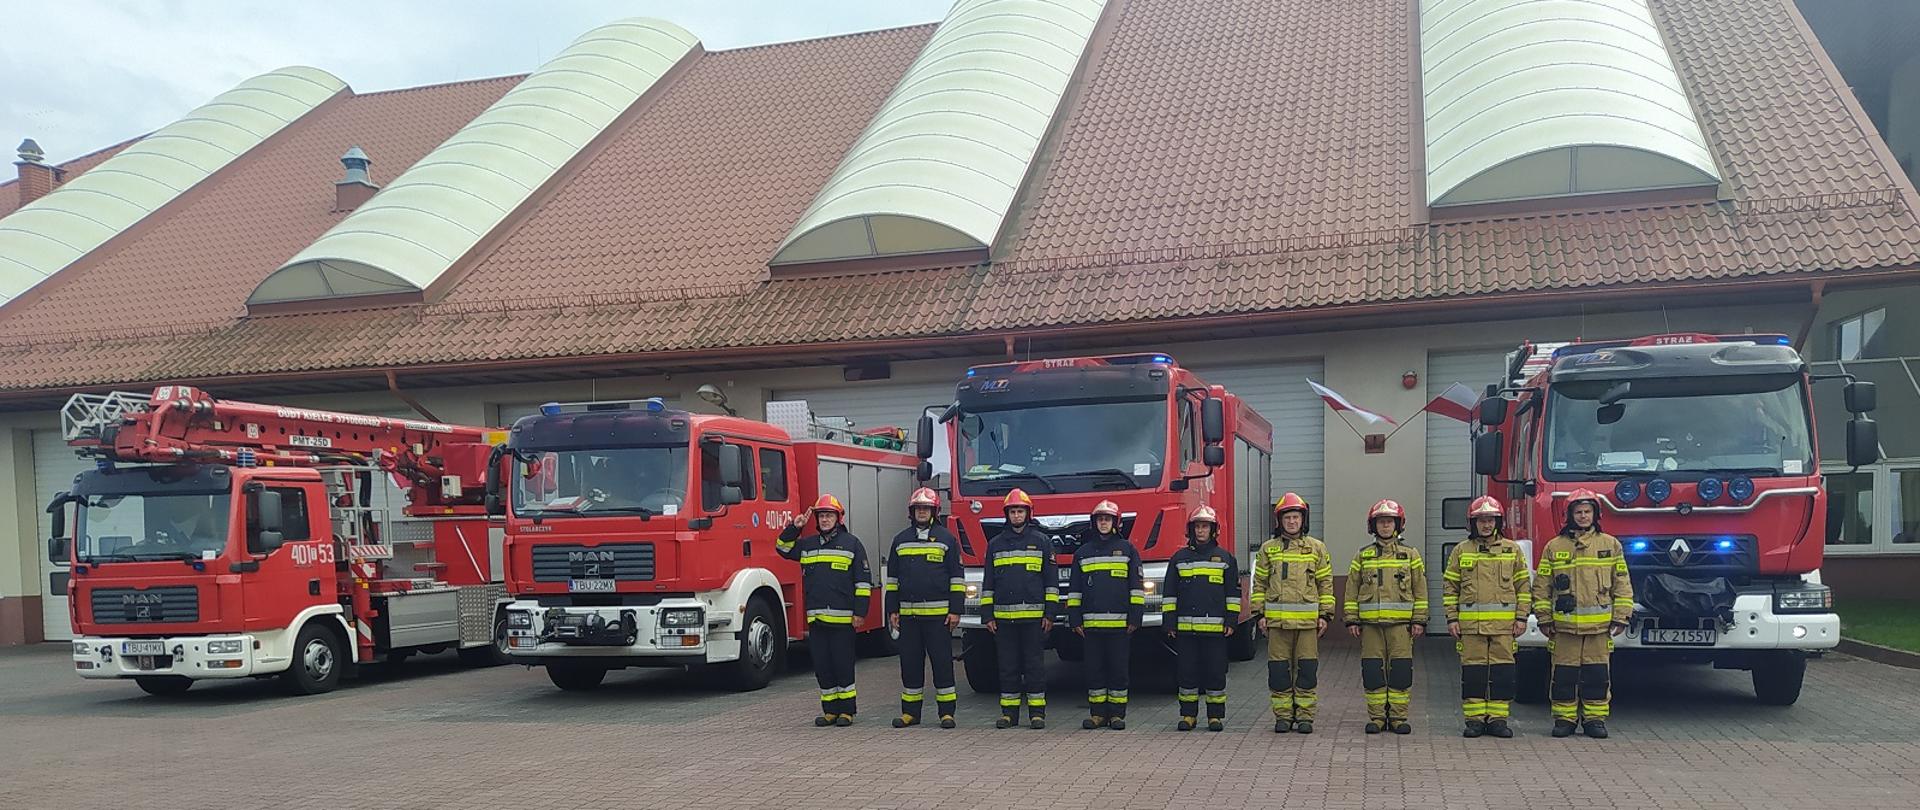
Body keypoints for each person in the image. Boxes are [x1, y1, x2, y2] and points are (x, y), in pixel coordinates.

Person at [1532, 488, 1632, 738]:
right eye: (1578, 512)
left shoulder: (1610, 545)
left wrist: (1621, 616)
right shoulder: (1554, 547)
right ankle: (1564, 720)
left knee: (1597, 676)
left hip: (1599, 629)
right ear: (1570, 515)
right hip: (1564, 628)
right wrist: (1544, 619)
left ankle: (1594, 720)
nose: (1583, 516)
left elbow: (1622, 582)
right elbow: (1542, 585)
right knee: (1563, 676)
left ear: (1595, 514)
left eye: (1588, 511)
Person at [777, 495, 874, 727]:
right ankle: (830, 710)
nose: (825, 519)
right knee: (822, 666)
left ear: (839, 518)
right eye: (822, 516)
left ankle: (847, 711)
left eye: (829, 515)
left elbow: (863, 583)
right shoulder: (808, 544)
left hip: (843, 620)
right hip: (817, 619)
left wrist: (860, 613)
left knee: (843, 665)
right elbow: (782, 548)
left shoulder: (852, 544)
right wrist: (795, 527)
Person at [1443, 495, 1529, 739]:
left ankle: (1499, 720)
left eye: (1490, 520)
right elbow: (1450, 587)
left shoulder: (1512, 550)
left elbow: (1524, 586)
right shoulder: (1461, 551)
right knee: (1474, 674)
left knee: (1502, 674)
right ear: (1473, 523)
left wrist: (1521, 618)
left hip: (1504, 628)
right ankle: (1475, 721)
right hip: (1471, 628)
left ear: (1498, 522)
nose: (1486, 525)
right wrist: (1452, 619)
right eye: (1481, 521)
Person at [1250, 492, 1332, 734]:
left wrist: (1325, 615)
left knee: (1307, 671)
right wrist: (1259, 614)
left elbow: (1325, 583)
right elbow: (1259, 584)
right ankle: (1283, 717)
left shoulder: (1317, 548)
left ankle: (1305, 717)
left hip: (1308, 625)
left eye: (1296, 517)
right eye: (1287, 518)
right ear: (1280, 521)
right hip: (1277, 625)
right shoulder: (1268, 550)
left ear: (1302, 520)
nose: (1292, 522)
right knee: (1279, 672)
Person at [1345, 499, 1426, 734]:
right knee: (1373, 671)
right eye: (1381, 522)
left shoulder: (1411, 555)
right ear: (1373, 526)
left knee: (1400, 672)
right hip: (1371, 628)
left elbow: (1420, 590)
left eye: (1389, 521)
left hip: (1402, 628)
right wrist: (1352, 619)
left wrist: (1419, 620)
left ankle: (1399, 718)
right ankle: (1377, 718)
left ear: (1398, 525)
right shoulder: (1363, 556)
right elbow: (1352, 589)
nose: (1385, 526)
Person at [886, 487, 965, 728]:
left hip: (939, 618)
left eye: (926, 508)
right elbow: (892, 581)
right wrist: (892, 611)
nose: (922, 512)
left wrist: (955, 610)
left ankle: (946, 713)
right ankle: (911, 713)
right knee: (910, 665)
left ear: (934, 511)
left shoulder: (947, 539)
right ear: (912, 512)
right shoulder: (900, 540)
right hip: (909, 617)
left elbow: (957, 578)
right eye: (918, 508)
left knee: (942, 664)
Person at [981, 488, 1057, 729]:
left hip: (1034, 619)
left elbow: (1051, 582)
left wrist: (1050, 614)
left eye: (1020, 511)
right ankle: (1009, 714)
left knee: (1034, 667)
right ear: (1007, 514)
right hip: (1003, 619)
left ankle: (1037, 714)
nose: (1016, 515)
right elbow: (988, 583)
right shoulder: (995, 544)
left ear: (1028, 513)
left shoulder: (1042, 542)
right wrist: (987, 615)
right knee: (1008, 667)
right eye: (1013, 511)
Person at [1065, 500, 1143, 730]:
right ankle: (1097, 714)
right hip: (1091, 626)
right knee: (1094, 670)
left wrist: (1135, 618)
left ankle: (1117, 715)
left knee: (1118, 670)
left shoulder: (1128, 550)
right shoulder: (1082, 552)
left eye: (1107, 519)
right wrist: (1075, 618)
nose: (1103, 523)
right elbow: (1075, 589)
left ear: (1115, 522)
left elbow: (1136, 588)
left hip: (1120, 626)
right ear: (1094, 523)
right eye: (1100, 519)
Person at [1164, 506, 1241, 732]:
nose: (1200, 531)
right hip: (1186, 630)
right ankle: (1188, 715)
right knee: (1186, 673)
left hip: (1215, 630)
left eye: (1205, 526)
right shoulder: (1179, 559)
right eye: (1197, 526)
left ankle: (1215, 717)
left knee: (1215, 673)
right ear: (1191, 530)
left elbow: (1232, 594)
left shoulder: (1225, 559)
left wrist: (1231, 621)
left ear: (1213, 530)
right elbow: (1169, 593)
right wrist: (1169, 622)